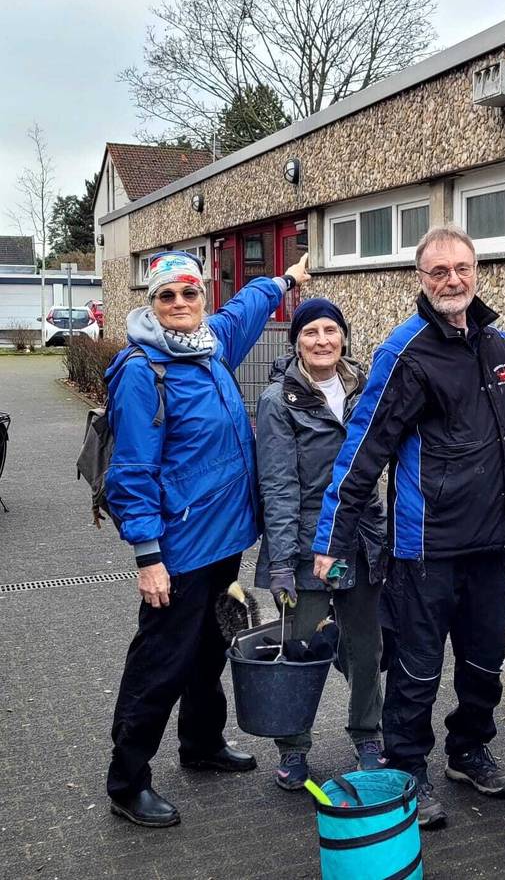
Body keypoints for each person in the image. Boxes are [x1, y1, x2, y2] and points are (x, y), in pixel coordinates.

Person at [312, 224, 505, 828]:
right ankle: (408, 769)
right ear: (421, 278)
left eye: (462, 268)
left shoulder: (493, 343)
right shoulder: (407, 352)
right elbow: (364, 448)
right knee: (418, 667)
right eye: (438, 271)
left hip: (490, 541)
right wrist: (332, 539)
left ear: (476, 272)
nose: (452, 280)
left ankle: (469, 750)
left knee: (482, 657)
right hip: (427, 546)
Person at [105, 249, 311, 828]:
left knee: (209, 649)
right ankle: (127, 781)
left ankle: (201, 744)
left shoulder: (210, 343)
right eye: (166, 296)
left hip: (225, 542)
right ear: (151, 304)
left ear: (202, 299)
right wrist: (148, 557)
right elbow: (131, 473)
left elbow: (246, 308)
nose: (178, 304)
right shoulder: (145, 372)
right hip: (177, 550)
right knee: (160, 662)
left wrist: (285, 281)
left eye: (188, 293)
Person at [254, 297, 387, 790]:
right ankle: (293, 748)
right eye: (310, 332)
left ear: (344, 338)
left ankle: (368, 737)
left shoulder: (365, 390)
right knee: (299, 646)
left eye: (331, 330)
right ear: (296, 343)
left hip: (361, 540)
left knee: (364, 647)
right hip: (306, 544)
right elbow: (279, 484)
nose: (322, 340)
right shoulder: (277, 400)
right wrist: (285, 561)